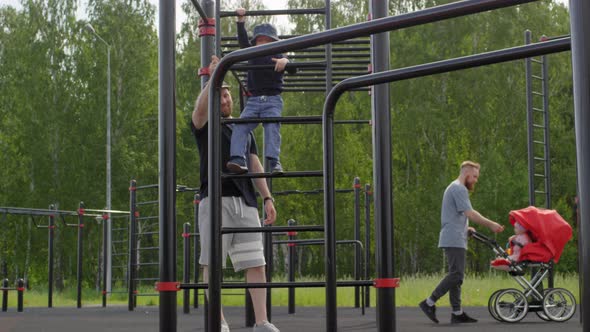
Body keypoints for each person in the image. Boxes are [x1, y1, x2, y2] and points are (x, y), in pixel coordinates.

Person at [191, 55, 280, 332]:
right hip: (215, 199)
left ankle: (262, 321)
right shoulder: (205, 125)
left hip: (246, 201)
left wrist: (267, 196)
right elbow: (200, 110)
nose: (226, 101)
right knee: (212, 263)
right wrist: (213, 78)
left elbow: (253, 163)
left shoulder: (243, 128)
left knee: (256, 262)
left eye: (229, 96)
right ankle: (218, 321)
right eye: (222, 95)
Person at [419, 161, 505, 324]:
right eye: (474, 177)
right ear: (466, 174)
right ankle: (429, 302)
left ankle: (457, 313)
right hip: (454, 238)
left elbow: (457, 215)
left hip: (456, 235)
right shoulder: (459, 188)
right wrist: (491, 224)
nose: (475, 180)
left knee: (457, 277)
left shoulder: (454, 187)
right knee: (456, 274)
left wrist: (466, 228)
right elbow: (470, 213)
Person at [226, 7, 295, 175]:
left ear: (275, 43)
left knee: (272, 126)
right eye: (260, 40)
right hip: (253, 101)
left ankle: (273, 162)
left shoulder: (278, 55)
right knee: (240, 126)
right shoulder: (251, 54)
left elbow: (293, 68)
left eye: (268, 41)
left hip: (272, 99)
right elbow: (243, 42)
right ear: (255, 43)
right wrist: (240, 21)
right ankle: (237, 159)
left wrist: (286, 61)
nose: (263, 44)